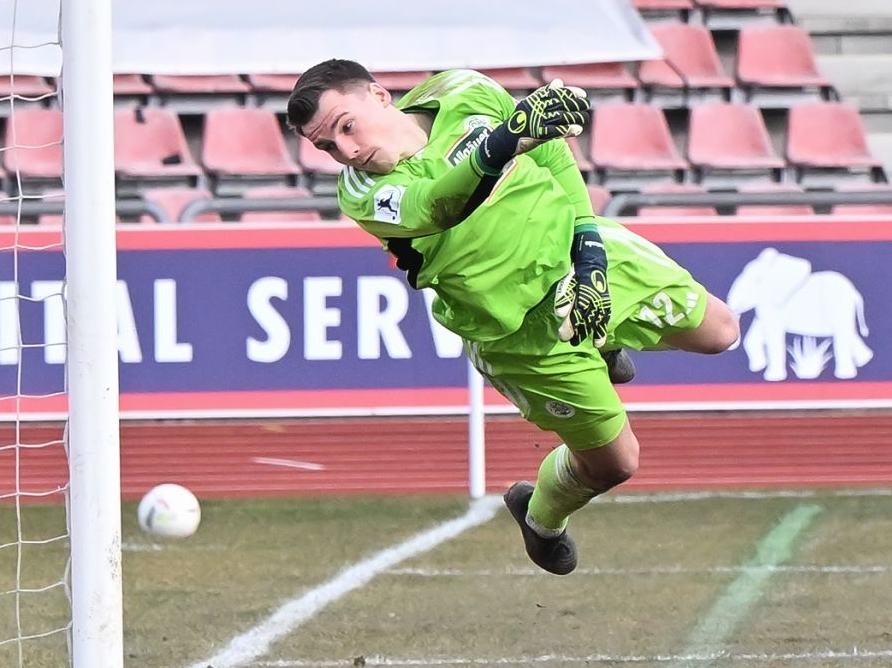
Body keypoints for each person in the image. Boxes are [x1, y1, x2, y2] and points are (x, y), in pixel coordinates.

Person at [286, 61, 740, 574]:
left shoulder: (463, 89)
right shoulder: (359, 192)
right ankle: (541, 519)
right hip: (517, 333)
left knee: (721, 332)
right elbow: (437, 206)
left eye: (347, 126)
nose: (346, 151)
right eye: (327, 147)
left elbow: (549, 152)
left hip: (575, 254)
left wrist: (589, 251)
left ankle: (600, 338)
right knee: (616, 464)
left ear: (379, 95)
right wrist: (503, 142)